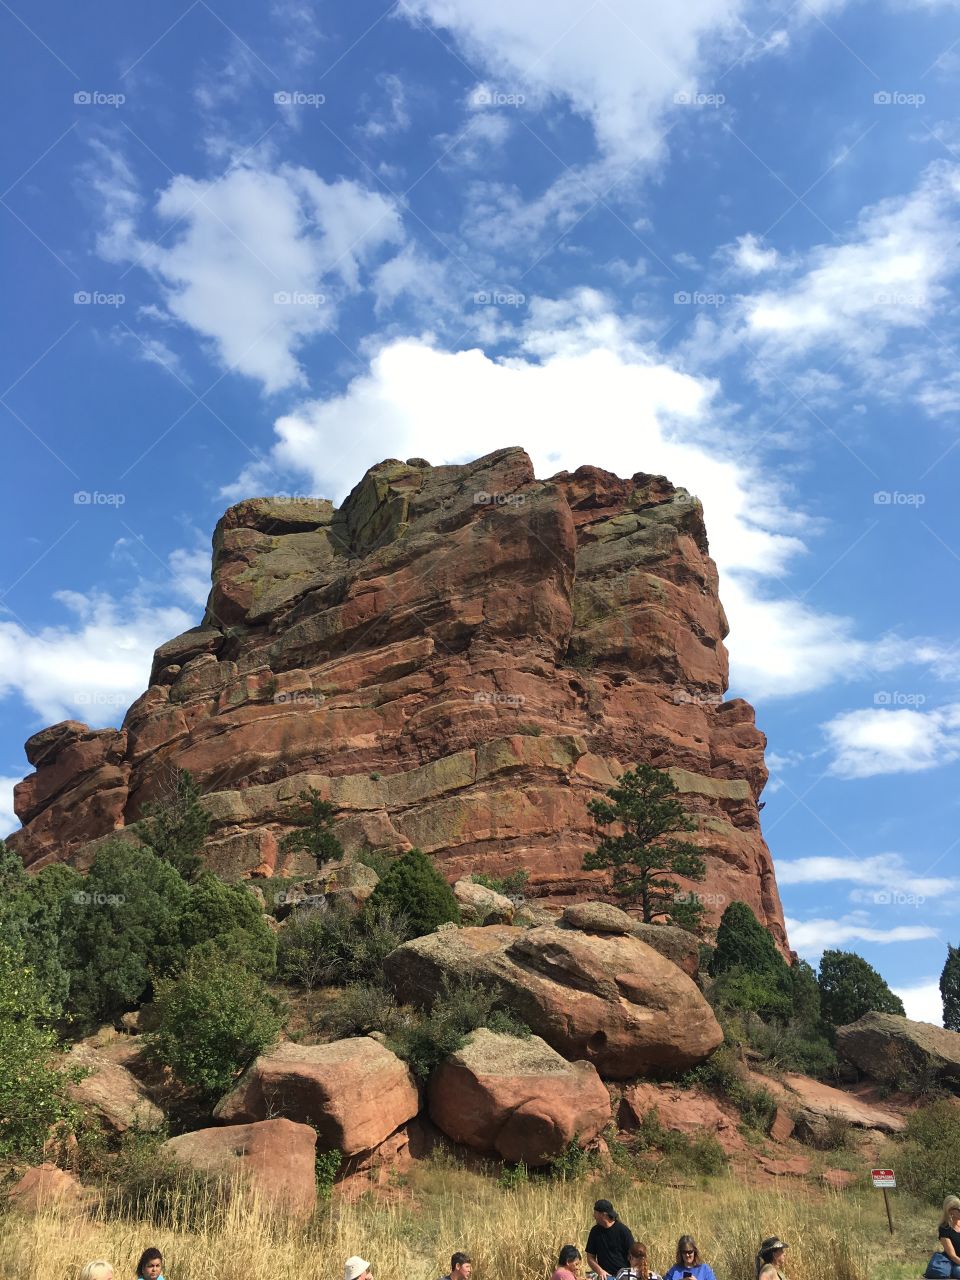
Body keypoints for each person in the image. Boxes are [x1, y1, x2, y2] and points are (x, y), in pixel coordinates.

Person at [586, 1200, 635, 1280]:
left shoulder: (623, 1231)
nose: (593, 1215)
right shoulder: (594, 1232)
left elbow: (634, 1255)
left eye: (595, 1213)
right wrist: (600, 1271)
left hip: (624, 1276)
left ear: (603, 1215)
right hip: (605, 1277)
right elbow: (590, 1257)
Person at [925, 1196, 960, 1278]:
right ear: (950, 1211)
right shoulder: (945, 1228)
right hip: (956, 1263)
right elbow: (953, 1256)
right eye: (959, 1210)